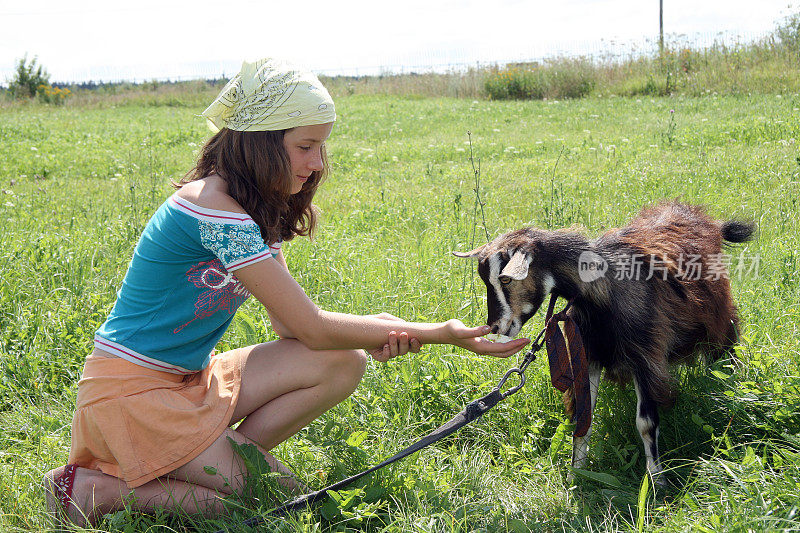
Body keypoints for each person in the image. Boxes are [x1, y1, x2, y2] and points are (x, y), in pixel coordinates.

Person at [43, 58, 529, 527]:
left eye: (321, 148)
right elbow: (308, 327)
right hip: (131, 394)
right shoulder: (211, 208)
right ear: (261, 142)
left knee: (345, 360)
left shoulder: (254, 211)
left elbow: (288, 326)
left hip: (189, 383)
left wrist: (382, 327)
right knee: (278, 497)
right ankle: (99, 491)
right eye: (305, 147)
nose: (318, 164)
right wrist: (440, 333)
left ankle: (201, 463)